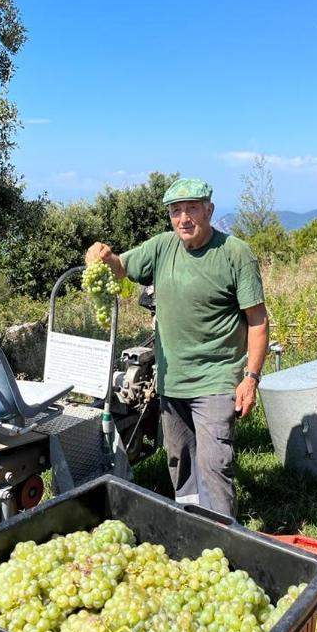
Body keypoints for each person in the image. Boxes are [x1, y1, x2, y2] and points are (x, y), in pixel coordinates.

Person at [85, 177, 269, 518]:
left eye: (192, 209)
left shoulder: (236, 254)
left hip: (217, 379)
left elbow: (257, 321)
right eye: (176, 211)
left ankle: (224, 537)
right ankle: (193, 525)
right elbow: (122, 268)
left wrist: (251, 378)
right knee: (180, 460)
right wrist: (104, 256)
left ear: (209, 210)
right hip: (173, 382)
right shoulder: (161, 247)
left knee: (214, 463)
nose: (184, 218)